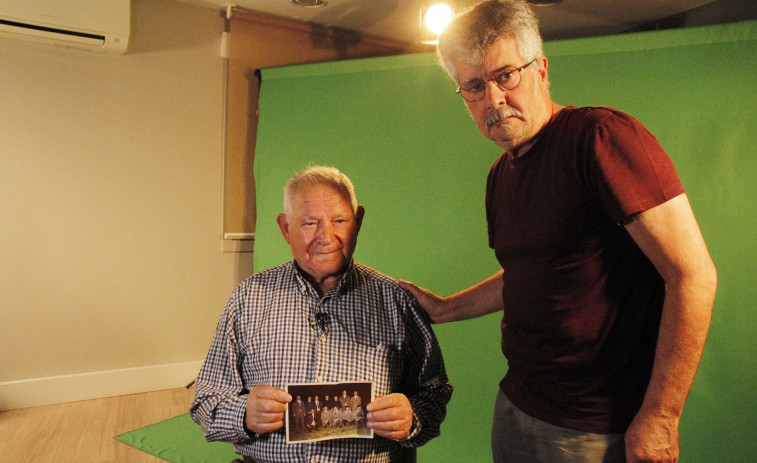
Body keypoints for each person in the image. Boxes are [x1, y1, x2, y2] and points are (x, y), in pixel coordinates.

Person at [397, 1, 717, 462]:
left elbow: (692, 275)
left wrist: (662, 417)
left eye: (506, 75)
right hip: (517, 406)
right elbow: (529, 274)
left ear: (541, 70)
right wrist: (447, 309)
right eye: (473, 86)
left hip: (596, 426)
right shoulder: (501, 174)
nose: (494, 99)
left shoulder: (601, 139)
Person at [191, 165, 453, 463]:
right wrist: (244, 414)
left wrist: (412, 418)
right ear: (285, 228)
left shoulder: (396, 300)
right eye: (309, 223)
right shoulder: (248, 298)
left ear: (359, 221)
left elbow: (434, 391)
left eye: (339, 220)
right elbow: (205, 401)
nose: (326, 236)